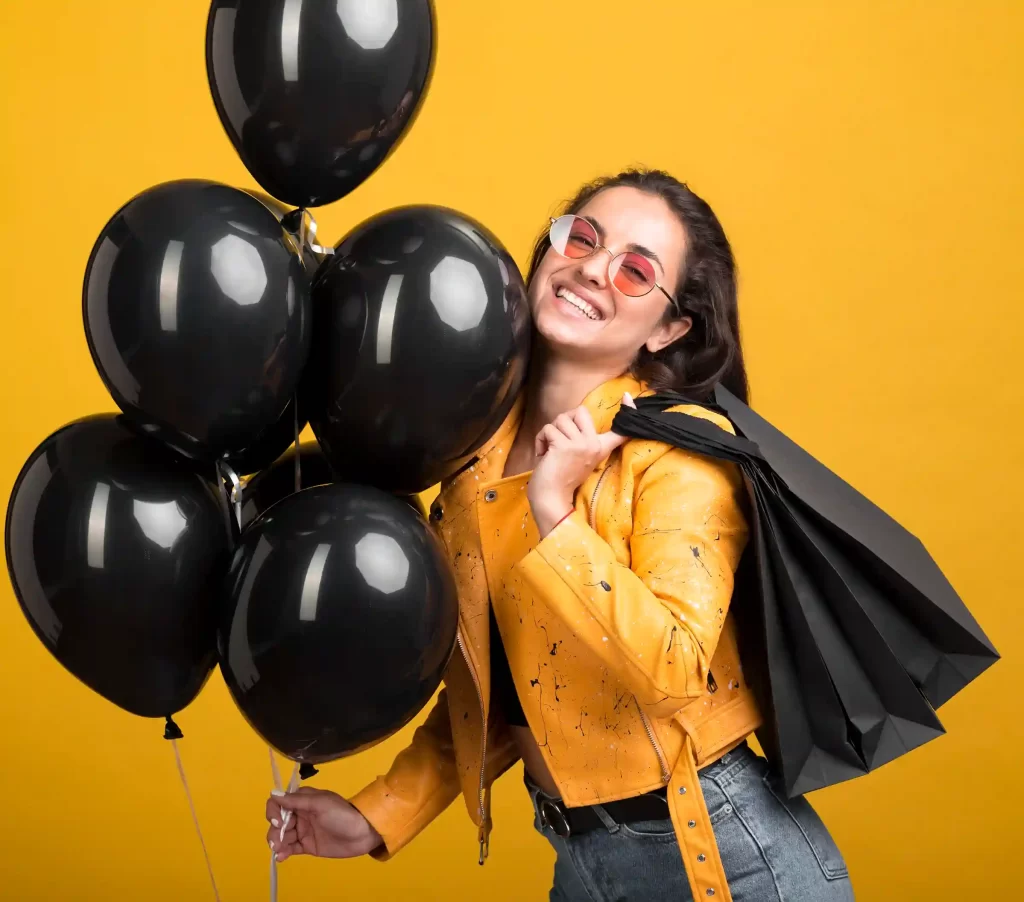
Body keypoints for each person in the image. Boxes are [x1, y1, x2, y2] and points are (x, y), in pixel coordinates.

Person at [264, 169, 855, 901]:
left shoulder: (678, 456)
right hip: (581, 858)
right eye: (583, 236)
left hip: (726, 857)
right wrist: (376, 815)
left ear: (670, 328)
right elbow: (500, 695)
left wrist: (558, 515)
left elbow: (674, 669)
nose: (593, 269)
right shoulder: (470, 458)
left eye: (636, 271)